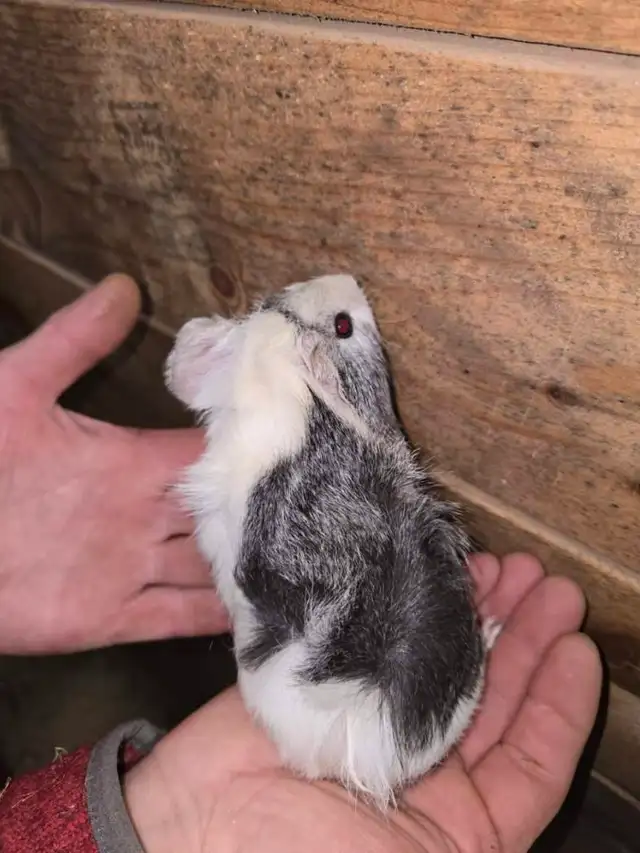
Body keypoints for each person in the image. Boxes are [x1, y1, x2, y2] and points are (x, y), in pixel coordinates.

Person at [0, 274, 602, 853]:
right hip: (350, 724)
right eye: (344, 326)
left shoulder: (246, 478)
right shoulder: (308, 470)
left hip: (320, 729)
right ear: (327, 376)